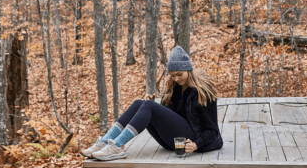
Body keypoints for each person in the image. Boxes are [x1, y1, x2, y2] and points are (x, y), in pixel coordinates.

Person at [82, 46, 223, 161]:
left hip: (191, 142)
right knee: (140, 103)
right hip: (173, 141)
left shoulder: (204, 92)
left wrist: (197, 145)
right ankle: (106, 141)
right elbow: (173, 117)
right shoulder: (175, 87)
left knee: (148, 105)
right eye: (173, 75)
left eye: (180, 74)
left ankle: (117, 146)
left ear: (189, 70)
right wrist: (157, 105)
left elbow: (212, 130)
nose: (176, 78)